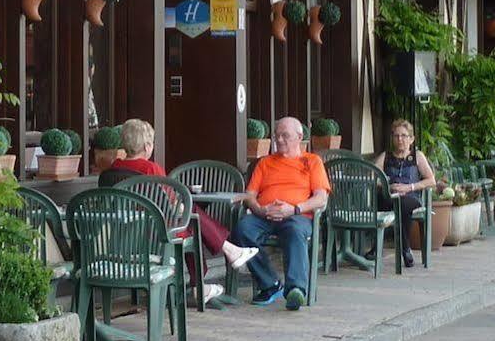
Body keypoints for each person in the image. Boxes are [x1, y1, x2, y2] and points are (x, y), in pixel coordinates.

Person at [98, 118, 258, 302]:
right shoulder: (150, 169)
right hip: (157, 232)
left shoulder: (113, 169)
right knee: (193, 221)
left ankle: (226, 256)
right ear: (148, 145)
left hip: (127, 234)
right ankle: (207, 276)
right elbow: (171, 204)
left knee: (191, 216)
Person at [231, 116, 329, 310]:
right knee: (241, 230)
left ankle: (296, 289)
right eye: (277, 136)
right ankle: (270, 283)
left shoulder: (312, 161)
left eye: (285, 135)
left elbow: (321, 198)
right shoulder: (265, 162)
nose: (280, 140)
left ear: (299, 137)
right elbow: (249, 195)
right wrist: (260, 209)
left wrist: (294, 209)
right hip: (264, 215)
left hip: (296, 215)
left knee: (294, 231)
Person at [381, 118, 438, 267]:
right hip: (390, 197)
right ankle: (405, 248)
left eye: (404, 136)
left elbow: (431, 180)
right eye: (396, 136)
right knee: (396, 202)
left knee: (403, 203)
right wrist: (389, 186)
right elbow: (371, 176)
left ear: (411, 139)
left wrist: (409, 187)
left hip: (411, 198)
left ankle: (398, 247)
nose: (400, 139)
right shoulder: (385, 156)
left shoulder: (417, 157)